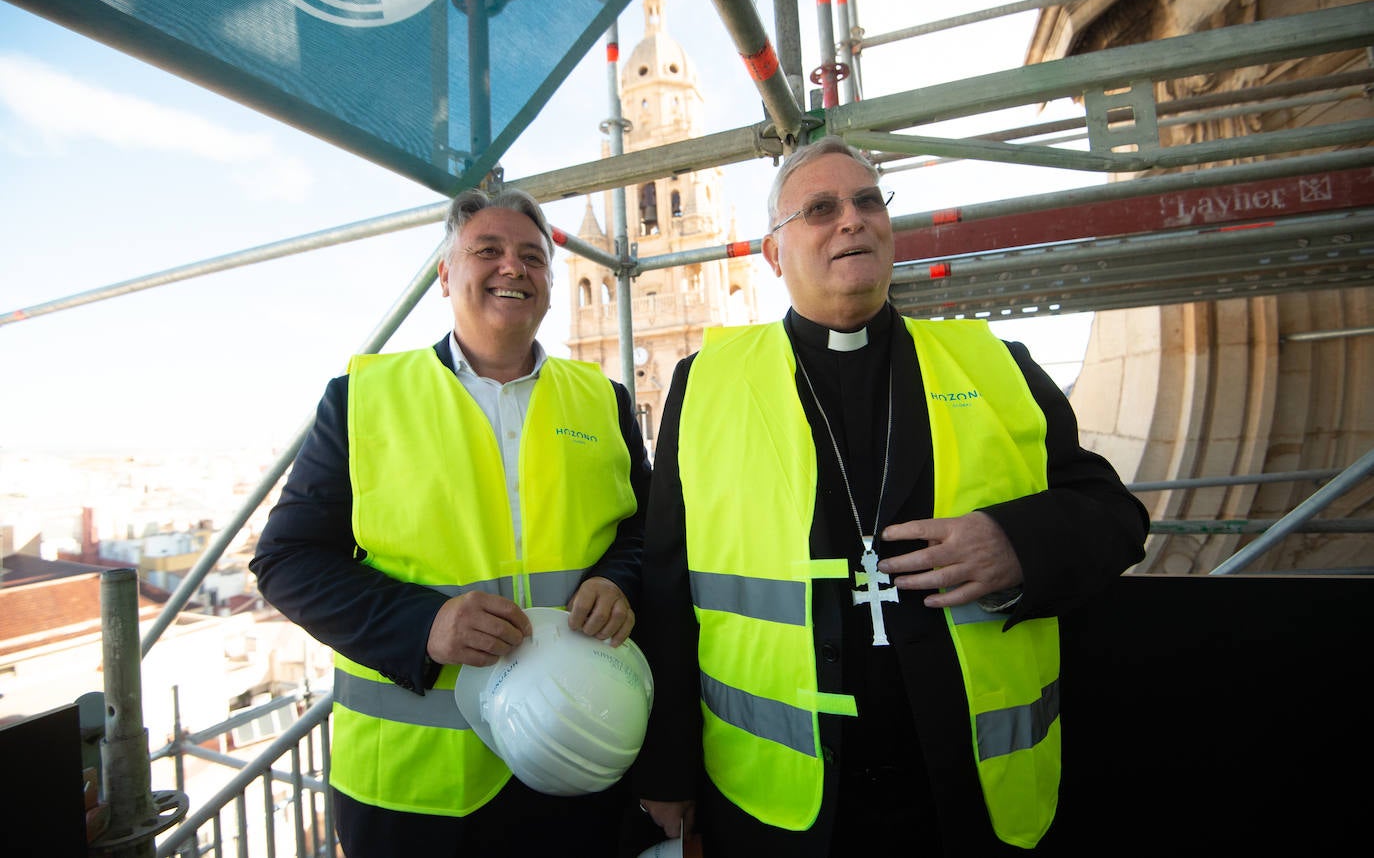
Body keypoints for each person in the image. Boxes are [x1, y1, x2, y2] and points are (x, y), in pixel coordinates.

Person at [631, 136, 1149, 856]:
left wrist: (1016, 543)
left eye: (868, 201)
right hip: (781, 805)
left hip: (963, 793)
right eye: (820, 208)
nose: (852, 219)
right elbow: (667, 587)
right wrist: (667, 770)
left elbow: (1116, 516)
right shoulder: (705, 382)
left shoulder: (995, 363)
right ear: (774, 254)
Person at [250, 187, 652, 858]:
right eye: (486, 250)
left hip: (579, 762)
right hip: (416, 794)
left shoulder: (603, 401)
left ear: (551, 280)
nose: (511, 268)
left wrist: (621, 580)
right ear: (445, 275)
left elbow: (644, 537)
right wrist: (424, 626)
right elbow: (286, 560)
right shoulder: (363, 400)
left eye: (531, 255)